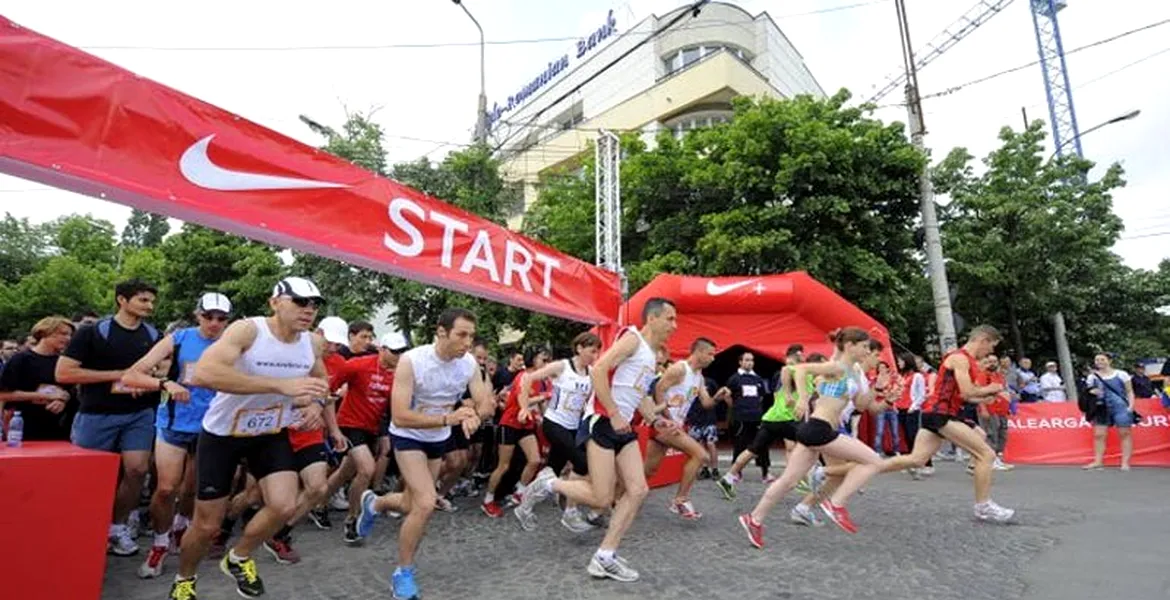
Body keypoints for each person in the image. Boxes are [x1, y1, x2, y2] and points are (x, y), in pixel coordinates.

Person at [168, 277, 331, 600]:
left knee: (284, 506)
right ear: (275, 302)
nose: (308, 310)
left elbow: (322, 381)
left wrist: (316, 402)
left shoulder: (312, 343)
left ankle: (239, 557)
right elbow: (203, 374)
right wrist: (279, 386)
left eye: (314, 304)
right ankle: (184, 579)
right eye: (300, 302)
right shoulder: (249, 331)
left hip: (270, 432)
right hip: (224, 434)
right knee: (207, 525)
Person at [515, 297, 679, 583]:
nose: (674, 326)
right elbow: (600, 369)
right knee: (601, 497)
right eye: (670, 319)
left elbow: (637, 393)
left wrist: (654, 418)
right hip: (602, 422)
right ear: (652, 318)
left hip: (622, 427)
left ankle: (604, 556)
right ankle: (548, 483)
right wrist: (614, 413)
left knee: (638, 490)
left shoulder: (652, 356)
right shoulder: (633, 339)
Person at [354, 308, 495, 600]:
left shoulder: (468, 363)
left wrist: (475, 416)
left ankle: (375, 503)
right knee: (426, 504)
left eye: (471, 335)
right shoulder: (412, 361)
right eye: (461, 335)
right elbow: (401, 415)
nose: (468, 342)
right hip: (408, 436)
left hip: (437, 437)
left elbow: (485, 402)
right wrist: (449, 418)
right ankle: (402, 574)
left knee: (411, 502)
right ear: (441, 332)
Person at [738, 329, 886, 547]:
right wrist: (801, 398)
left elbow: (863, 405)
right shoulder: (836, 367)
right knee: (874, 460)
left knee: (788, 481)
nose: (867, 351)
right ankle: (836, 504)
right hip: (820, 429)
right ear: (850, 346)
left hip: (816, 430)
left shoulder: (853, 372)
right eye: (864, 346)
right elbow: (798, 369)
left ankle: (754, 519)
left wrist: (880, 388)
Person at [121, 293, 233, 579]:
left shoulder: (234, 343)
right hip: (174, 424)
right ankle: (159, 543)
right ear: (198, 315)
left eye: (221, 319)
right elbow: (132, 375)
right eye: (209, 316)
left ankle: (181, 528)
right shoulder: (179, 338)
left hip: (211, 428)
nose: (215, 323)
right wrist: (165, 383)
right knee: (166, 488)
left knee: (191, 490)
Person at [57, 279, 162, 557]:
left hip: (139, 414)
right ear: (122, 300)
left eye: (152, 301)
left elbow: (160, 371)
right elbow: (64, 374)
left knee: (138, 470)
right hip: (97, 413)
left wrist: (148, 381)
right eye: (142, 300)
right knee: (88, 477)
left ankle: (115, 528)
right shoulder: (93, 332)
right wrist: (120, 374)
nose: (149, 306)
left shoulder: (154, 335)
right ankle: (81, 529)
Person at [883, 325, 1016, 523]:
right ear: (983, 340)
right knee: (986, 454)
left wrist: (987, 397)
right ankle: (983, 506)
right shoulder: (960, 358)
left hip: (937, 413)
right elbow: (968, 391)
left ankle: (851, 470)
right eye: (990, 348)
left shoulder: (965, 360)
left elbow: (964, 395)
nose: (989, 354)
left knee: (916, 460)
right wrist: (993, 389)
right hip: (941, 415)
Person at [510, 332, 601, 532]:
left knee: (551, 471)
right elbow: (526, 378)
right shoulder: (562, 366)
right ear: (579, 348)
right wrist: (524, 407)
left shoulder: (592, 373)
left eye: (597, 352)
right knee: (582, 464)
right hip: (554, 423)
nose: (595, 355)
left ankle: (524, 507)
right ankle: (570, 512)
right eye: (591, 350)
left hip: (572, 427)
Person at [325, 331, 409, 545]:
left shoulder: (400, 374)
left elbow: (393, 408)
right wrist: (328, 422)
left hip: (371, 428)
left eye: (402, 351)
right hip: (349, 423)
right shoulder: (358, 365)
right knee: (367, 469)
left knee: (345, 472)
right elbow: (329, 389)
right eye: (394, 351)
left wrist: (384, 434)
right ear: (382, 349)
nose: (398, 355)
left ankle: (316, 503)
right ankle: (352, 520)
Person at [717, 351, 825, 501]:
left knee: (753, 449)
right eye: (823, 366)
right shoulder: (801, 373)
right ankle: (801, 478)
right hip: (785, 419)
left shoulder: (811, 381)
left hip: (771, 419)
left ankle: (728, 478)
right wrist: (788, 394)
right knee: (812, 443)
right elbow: (786, 369)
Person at [645, 337, 726, 520]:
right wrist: (667, 418)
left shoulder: (699, 377)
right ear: (698, 352)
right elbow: (658, 390)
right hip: (663, 424)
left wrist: (719, 396)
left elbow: (706, 403)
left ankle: (615, 498)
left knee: (648, 471)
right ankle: (680, 500)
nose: (713, 358)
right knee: (701, 454)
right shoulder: (680, 369)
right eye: (710, 354)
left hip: (673, 426)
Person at [482, 347, 550, 518]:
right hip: (510, 423)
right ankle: (488, 500)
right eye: (544, 359)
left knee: (534, 460)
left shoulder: (538, 378)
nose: (547, 364)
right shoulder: (524, 376)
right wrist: (544, 396)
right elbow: (523, 401)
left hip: (525, 425)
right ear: (533, 359)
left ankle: (519, 492)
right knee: (503, 466)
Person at [0, 316, 76, 440]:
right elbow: (3, 394)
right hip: (22, 426)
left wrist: (62, 400)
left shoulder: (64, 362)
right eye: (63, 334)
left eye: (70, 335)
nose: (67, 338)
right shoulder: (21, 359)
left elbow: (69, 391)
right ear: (44, 333)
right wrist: (44, 396)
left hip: (58, 427)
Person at [1083, 353, 1138, 471]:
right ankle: (1098, 461)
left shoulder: (1121, 374)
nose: (1099, 362)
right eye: (1097, 360)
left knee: (1124, 434)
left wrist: (1131, 406)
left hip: (1120, 407)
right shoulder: (1092, 377)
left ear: (1110, 361)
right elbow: (1087, 393)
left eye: (1102, 359)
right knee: (1099, 435)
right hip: (1101, 408)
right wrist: (1092, 393)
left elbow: (1129, 391)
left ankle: (1125, 462)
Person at [725, 352, 770, 480]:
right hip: (741, 417)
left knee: (762, 444)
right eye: (747, 360)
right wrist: (735, 407)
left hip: (757, 416)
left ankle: (765, 473)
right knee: (740, 444)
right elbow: (727, 395)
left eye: (752, 360)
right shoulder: (734, 378)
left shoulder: (758, 379)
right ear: (740, 362)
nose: (750, 362)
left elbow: (761, 397)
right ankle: (736, 473)